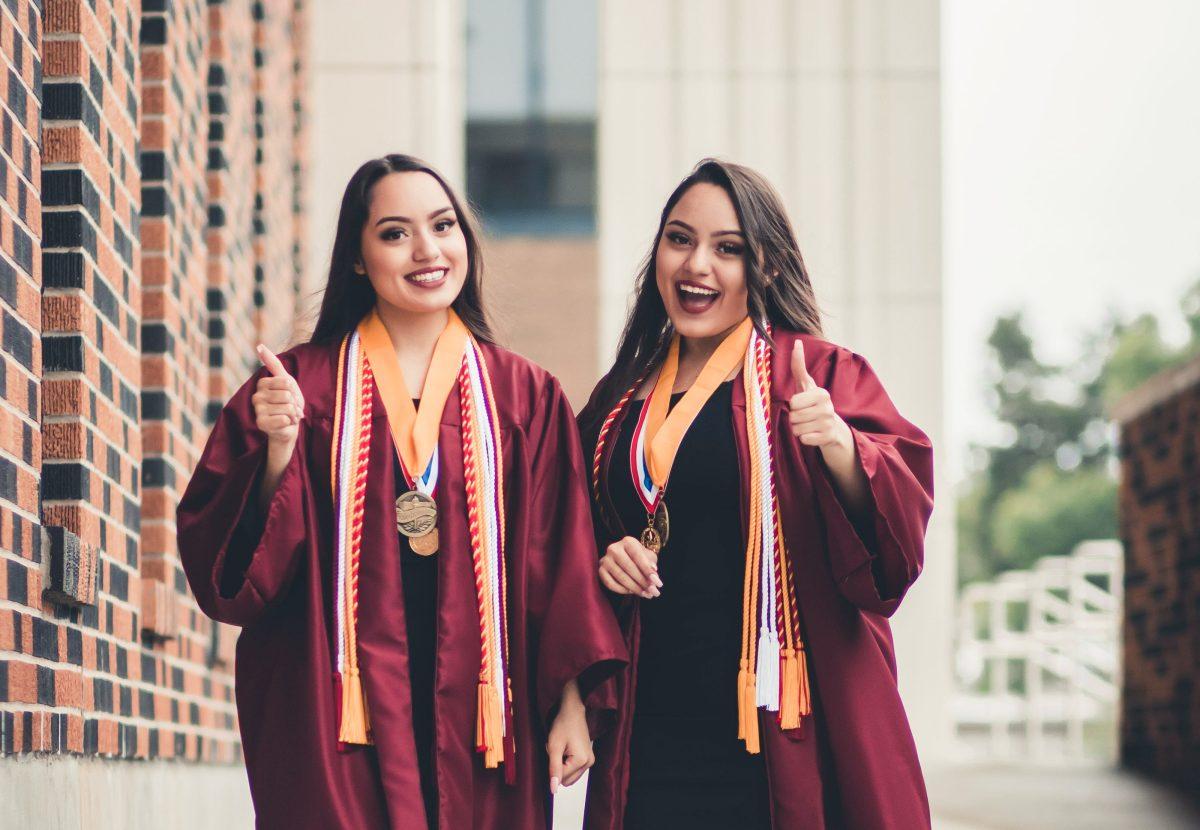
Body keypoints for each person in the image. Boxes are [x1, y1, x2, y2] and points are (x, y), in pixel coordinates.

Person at [178, 154, 626, 829]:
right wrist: (276, 453)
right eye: (394, 233)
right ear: (358, 258)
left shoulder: (524, 396)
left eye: (442, 226)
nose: (426, 250)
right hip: (336, 711)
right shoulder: (303, 390)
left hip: (485, 714)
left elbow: (556, 556)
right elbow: (234, 577)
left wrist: (570, 706)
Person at [579, 159, 935, 829]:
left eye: (729, 248)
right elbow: (565, 534)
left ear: (766, 266)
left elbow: (895, 546)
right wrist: (606, 561)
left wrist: (839, 446)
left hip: (786, 721)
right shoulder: (619, 399)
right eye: (680, 239)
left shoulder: (817, 374)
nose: (697, 265)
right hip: (650, 723)